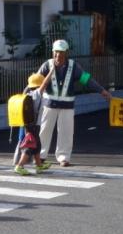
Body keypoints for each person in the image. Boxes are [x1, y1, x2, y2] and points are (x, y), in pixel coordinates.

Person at [37, 39, 112, 167]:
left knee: (66, 132)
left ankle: (63, 158)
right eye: (56, 52)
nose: (58, 55)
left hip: (67, 106)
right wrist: (28, 92)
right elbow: (35, 81)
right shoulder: (47, 65)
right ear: (52, 52)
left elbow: (87, 80)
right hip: (49, 104)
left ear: (66, 53)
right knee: (44, 131)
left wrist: (102, 90)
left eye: (61, 52)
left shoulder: (74, 67)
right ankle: (40, 156)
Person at [14, 73, 53, 176]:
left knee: (37, 145)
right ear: (39, 85)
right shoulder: (37, 94)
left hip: (31, 125)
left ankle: (39, 165)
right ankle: (20, 166)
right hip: (33, 126)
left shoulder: (29, 94)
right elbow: (44, 84)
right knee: (30, 146)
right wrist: (52, 70)